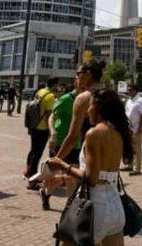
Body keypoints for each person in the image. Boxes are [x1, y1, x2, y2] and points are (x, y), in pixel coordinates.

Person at [48, 88, 133, 246]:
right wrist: (62, 178)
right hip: (115, 207)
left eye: (90, 106)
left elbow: (92, 179)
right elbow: (103, 174)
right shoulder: (118, 133)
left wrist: (62, 165)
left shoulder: (94, 134)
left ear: (99, 107)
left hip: (93, 208)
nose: (87, 111)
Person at [47, 59, 105, 209]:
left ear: (88, 74)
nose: (77, 77)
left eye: (79, 73)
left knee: (85, 206)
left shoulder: (84, 98)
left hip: (89, 151)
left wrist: (57, 160)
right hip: (109, 157)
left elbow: (73, 136)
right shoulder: (111, 96)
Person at [41, 86, 79, 211]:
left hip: (77, 143)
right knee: (67, 176)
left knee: (71, 176)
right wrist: (53, 134)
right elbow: (52, 116)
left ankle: (47, 193)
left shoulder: (88, 100)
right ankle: (70, 208)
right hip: (61, 142)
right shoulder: (66, 99)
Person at [26, 77, 58, 189]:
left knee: (33, 151)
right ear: (54, 84)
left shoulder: (40, 91)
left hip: (34, 125)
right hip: (42, 128)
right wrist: (51, 131)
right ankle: (32, 180)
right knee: (37, 154)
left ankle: (29, 173)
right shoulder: (51, 96)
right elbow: (49, 115)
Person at [124, 82, 142, 176]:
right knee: (130, 148)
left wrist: (140, 128)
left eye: (130, 90)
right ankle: (130, 165)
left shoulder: (140, 101)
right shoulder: (129, 101)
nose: (128, 91)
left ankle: (137, 168)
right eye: (128, 90)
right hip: (128, 128)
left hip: (136, 129)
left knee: (137, 149)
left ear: (135, 90)